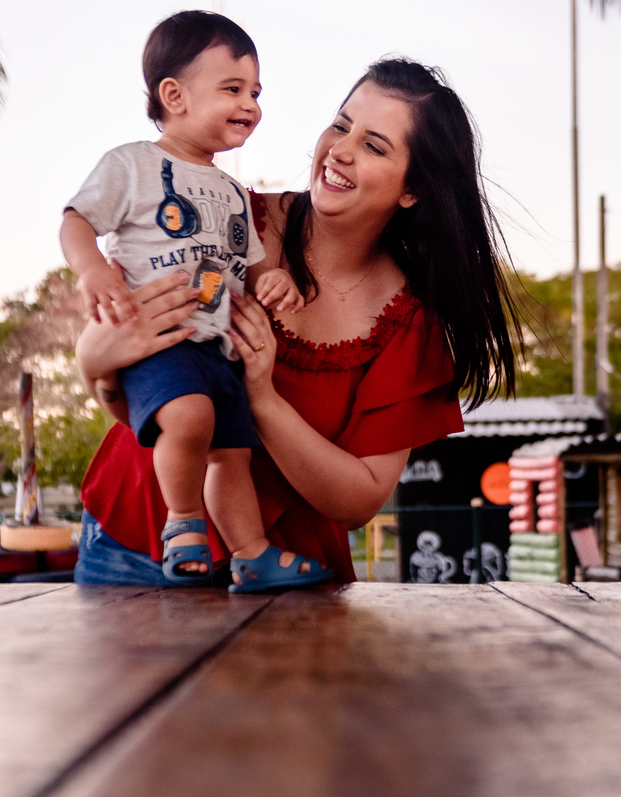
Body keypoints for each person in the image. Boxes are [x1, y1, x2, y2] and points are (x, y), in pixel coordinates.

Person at [74, 56, 518, 588]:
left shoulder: (410, 323)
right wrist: (94, 367)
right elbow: (144, 389)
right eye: (341, 124)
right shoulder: (225, 218)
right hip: (133, 541)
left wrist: (262, 398)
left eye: (374, 146)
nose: (340, 150)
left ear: (412, 189)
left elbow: (357, 501)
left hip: (284, 572)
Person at [61, 11, 317, 592]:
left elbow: (250, 267)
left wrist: (277, 282)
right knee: (190, 418)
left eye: (255, 92)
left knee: (232, 456)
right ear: (173, 95)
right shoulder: (133, 164)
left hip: (216, 349)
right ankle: (181, 524)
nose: (250, 103)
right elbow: (76, 220)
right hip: (159, 341)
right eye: (232, 89)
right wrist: (92, 270)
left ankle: (251, 554)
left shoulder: (228, 191)